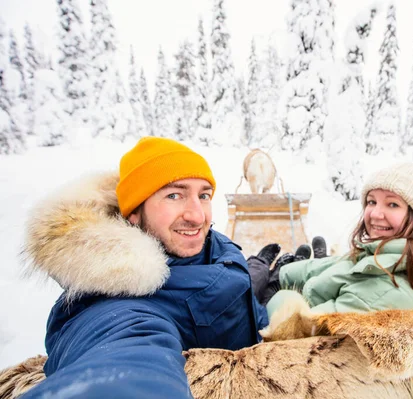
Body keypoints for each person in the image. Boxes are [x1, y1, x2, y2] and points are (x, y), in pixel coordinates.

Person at [21, 137, 269, 398]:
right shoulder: (119, 305)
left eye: (204, 195)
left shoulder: (202, 246)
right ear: (134, 213)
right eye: (174, 195)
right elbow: (126, 361)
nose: (198, 216)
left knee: (261, 275)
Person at [267, 162, 413, 316]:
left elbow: (300, 328)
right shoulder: (392, 254)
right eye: (372, 202)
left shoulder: (388, 294)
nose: (375, 214)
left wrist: (271, 293)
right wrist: (284, 273)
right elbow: (341, 265)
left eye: (392, 204)